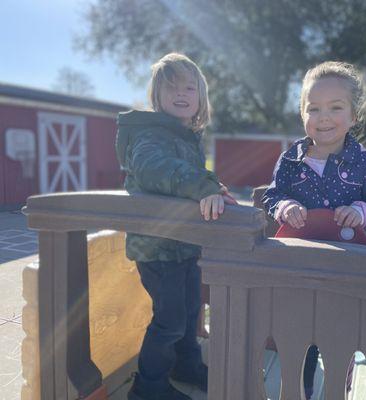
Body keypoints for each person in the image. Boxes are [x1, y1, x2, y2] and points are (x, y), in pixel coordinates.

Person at [261, 61, 366, 399]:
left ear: (353, 116)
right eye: (314, 108)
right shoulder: (290, 160)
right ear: (302, 113)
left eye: (336, 108)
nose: (323, 117)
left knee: (341, 334)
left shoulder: (364, 162)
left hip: (349, 267)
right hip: (300, 267)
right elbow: (272, 194)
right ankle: (300, 389)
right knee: (300, 332)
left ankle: (340, 388)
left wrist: (362, 212)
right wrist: (283, 207)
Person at [116, 52, 236, 400]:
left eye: (189, 87)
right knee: (169, 320)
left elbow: (186, 181)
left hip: (184, 244)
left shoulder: (186, 137)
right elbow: (157, 170)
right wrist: (202, 185)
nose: (181, 94)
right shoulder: (149, 136)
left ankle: (186, 365)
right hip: (157, 246)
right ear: (158, 96)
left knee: (190, 311)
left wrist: (212, 189)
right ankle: (148, 388)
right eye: (171, 88)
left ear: (200, 96)